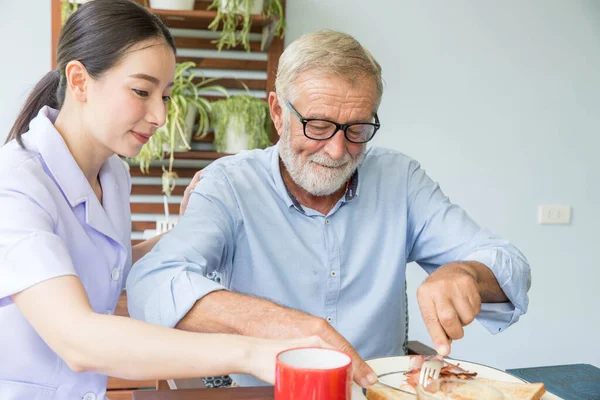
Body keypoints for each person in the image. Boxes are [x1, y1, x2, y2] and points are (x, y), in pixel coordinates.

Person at [126, 30, 532, 388]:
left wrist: (468, 273)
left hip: (378, 391)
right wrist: (281, 323)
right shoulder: (229, 184)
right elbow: (154, 282)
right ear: (278, 112)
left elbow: (508, 263)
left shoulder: (400, 179)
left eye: (357, 128)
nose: (338, 150)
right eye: (318, 126)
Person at [0, 2, 324, 399]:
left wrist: (191, 229)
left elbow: (98, 261)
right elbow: (77, 338)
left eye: (166, 96)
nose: (159, 115)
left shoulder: (113, 174)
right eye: (142, 91)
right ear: (80, 81)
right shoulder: (15, 185)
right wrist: (253, 351)